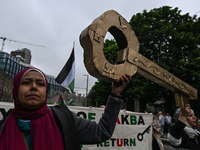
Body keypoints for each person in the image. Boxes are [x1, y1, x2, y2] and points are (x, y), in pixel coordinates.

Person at [0, 67, 132, 150]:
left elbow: (102, 132)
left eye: (40, 84)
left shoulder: (63, 119)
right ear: (16, 89)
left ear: (46, 91)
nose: (34, 87)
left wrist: (115, 94)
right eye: (27, 82)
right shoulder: (2, 127)